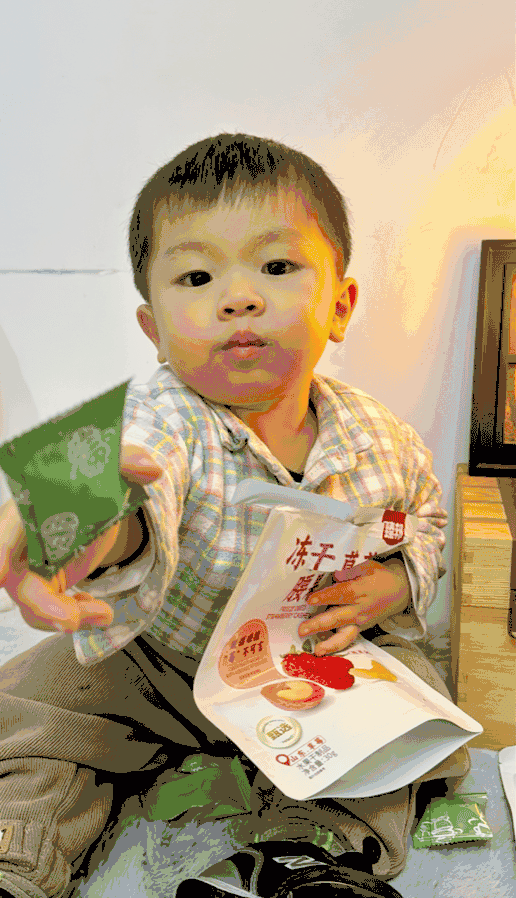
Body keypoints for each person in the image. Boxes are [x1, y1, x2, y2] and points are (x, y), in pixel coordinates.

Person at [0, 133, 469, 898]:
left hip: (309, 659)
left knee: (405, 709)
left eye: (277, 266)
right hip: (156, 662)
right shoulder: (165, 413)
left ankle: (309, 857)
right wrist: (69, 515)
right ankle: (18, 851)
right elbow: (135, 476)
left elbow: (422, 525)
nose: (238, 296)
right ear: (154, 331)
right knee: (34, 700)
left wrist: (392, 583)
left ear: (340, 306)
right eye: (197, 275)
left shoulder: (385, 441)